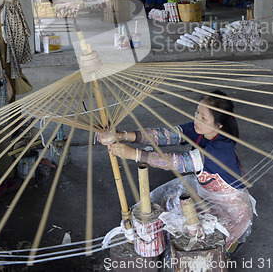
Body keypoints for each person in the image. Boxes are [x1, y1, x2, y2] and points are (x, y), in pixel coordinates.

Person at [98, 90, 255, 252]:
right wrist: (122, 135)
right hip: (206, 194)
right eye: (197, 112)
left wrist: (134, 154)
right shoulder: (200, 130)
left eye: (203, 117)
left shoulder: (220, 151)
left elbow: (177, 162)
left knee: (191, 237)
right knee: (168, 207)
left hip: (229, 210)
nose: (197, 119)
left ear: (219, 125)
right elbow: (165, 136)